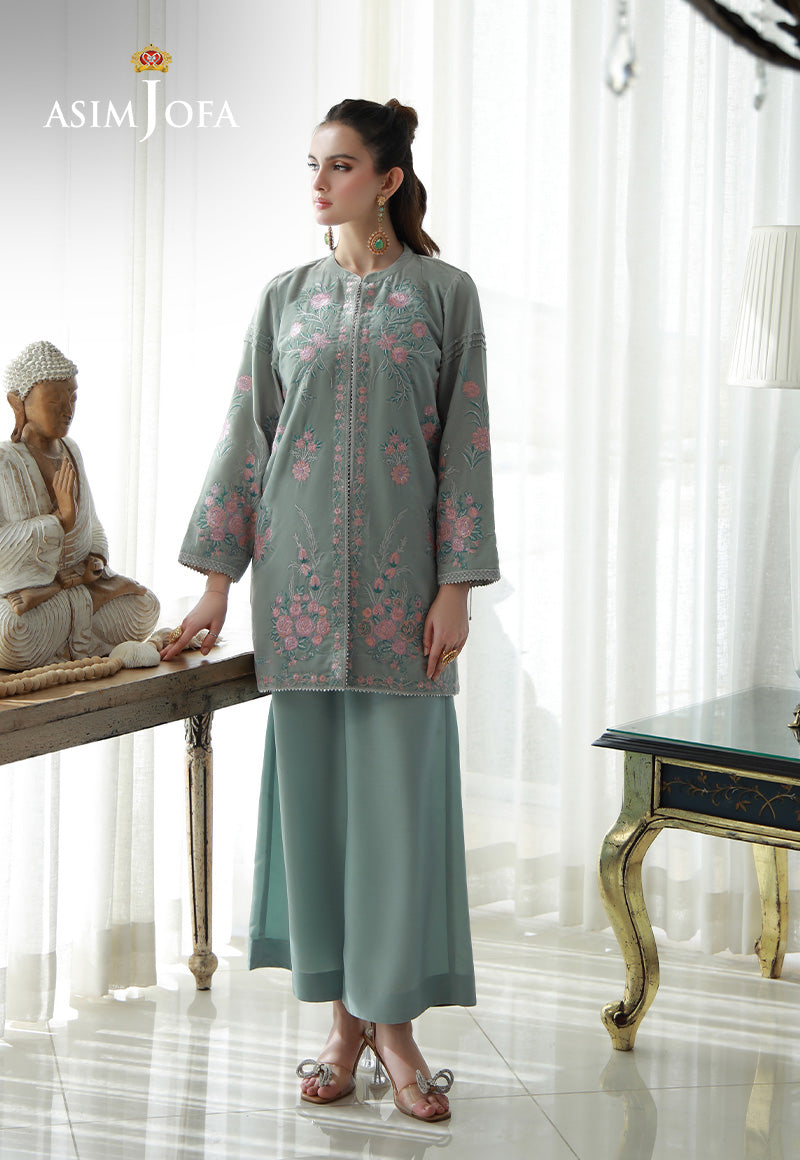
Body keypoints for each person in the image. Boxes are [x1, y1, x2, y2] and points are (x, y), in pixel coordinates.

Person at [162, 98, 499, 1123]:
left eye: (340, 165)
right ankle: (343, 1027)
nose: (318, 183)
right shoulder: (284, 299)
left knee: (396, 816)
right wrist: (216, 581)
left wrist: (455, 585)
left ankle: (393, 1027)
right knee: (318, 818)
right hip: (298, 595)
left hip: (406, 599)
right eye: (311, 164)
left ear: (387, 180)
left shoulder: (443, 295)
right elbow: (246, 437)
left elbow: (466, 444)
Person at [0, 341, 160, 670]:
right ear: (18, 404)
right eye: (55, 401)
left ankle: (87, 602)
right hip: (31, 598)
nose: (67, 410)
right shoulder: (6, 461)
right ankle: (90, 603)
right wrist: (59, 520)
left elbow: (93, 523)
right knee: (12, 632)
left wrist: (97, 558)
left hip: (74, 585)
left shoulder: (72, 451)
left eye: (72, 398)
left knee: (146, 605)